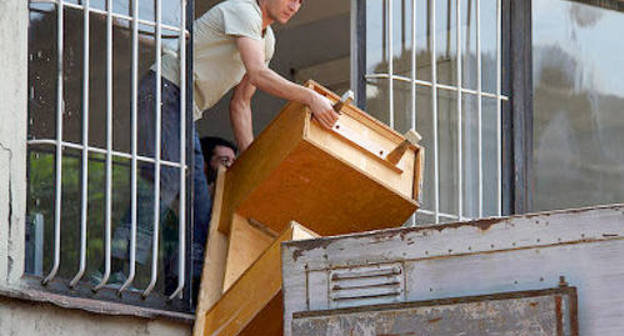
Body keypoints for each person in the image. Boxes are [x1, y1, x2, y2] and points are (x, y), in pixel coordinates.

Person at [97, 0, 339, 299]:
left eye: (302, 1)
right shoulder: (242, 9)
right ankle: (114, 270)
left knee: (200, 206)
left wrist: (252, 163)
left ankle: (188, 294)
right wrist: (310, 98)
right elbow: (259, 73)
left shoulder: (268, 41)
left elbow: (241, 104)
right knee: (166, 180)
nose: (296, 5)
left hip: (186, 110)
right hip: (164, 92)